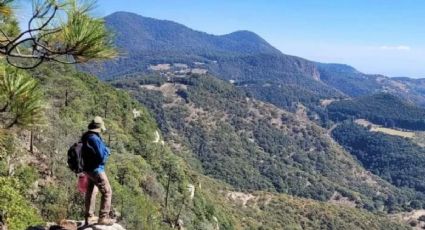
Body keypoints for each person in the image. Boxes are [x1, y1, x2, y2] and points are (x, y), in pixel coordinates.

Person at [82, 116, 114, 225]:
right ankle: (103, 218)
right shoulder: (94, 138)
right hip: (96, 169)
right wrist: (107, 152)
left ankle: (89, 217)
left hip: (87, 169)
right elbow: (101, 156)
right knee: (107, 192)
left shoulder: (86, 136)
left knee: (91, 191)